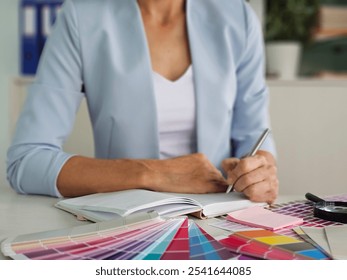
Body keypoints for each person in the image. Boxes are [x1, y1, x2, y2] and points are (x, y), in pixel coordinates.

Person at [7, 0, 278, 204]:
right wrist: (152, 173)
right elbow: (27, 161)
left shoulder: (237, 16)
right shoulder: (82, 15)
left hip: (218, 219)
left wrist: (259, 172)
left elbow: (254, 137)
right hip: (124, 220)